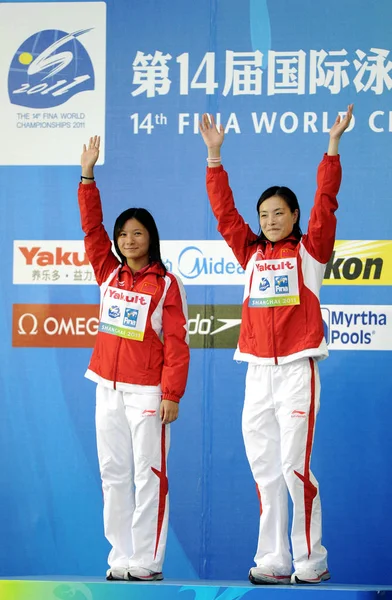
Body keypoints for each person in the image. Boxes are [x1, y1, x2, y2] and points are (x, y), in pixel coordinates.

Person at [199, 106, 353, 585]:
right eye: (263, 214)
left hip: (296, 371)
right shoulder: (248, 252)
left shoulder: (311, 252)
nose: (268, 220)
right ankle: (273, 559)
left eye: (278, 213)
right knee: (265, 468)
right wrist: (214, 157)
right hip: (256, 372)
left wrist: (332, 148)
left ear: (294, 217)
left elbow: (326, 201)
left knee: (293, 467)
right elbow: (226, 215)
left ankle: (311, 560)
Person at [78, 136, 190, 582]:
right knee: (113, 473)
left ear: (151, 238)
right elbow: (91, 229)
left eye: (136, 233)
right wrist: (87, 177)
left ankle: (148, 560)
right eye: (122, 234)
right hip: (107, 384)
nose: (127, 240)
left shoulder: (166, 283)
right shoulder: (108, 272)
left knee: (150, 474)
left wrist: (172, 393)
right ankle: (120, 557)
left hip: (147, 391)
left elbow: (177, 343)